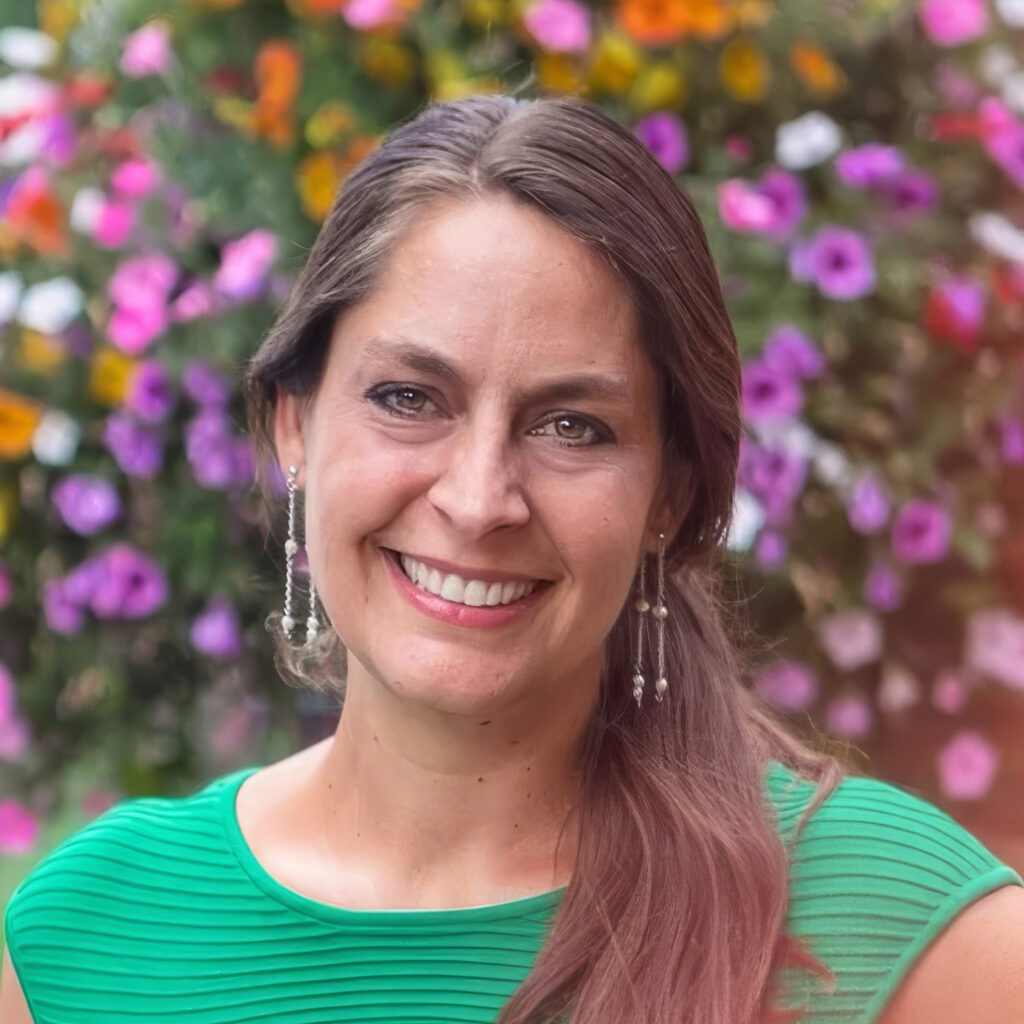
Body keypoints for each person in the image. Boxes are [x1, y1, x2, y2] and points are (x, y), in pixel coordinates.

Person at [3, 93, 1023, 1024]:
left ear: (668, 493)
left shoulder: (897, 929)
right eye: (410, 398)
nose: (478, 498)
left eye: (572, 425)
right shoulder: (78, 941)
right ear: (294, 427)